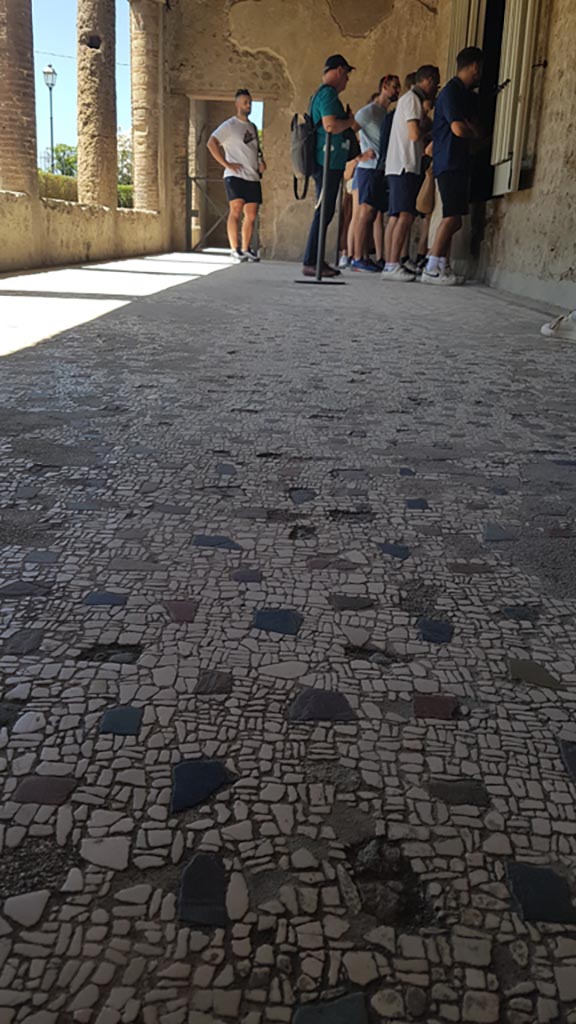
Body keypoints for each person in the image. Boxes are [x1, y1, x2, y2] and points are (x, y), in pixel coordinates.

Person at [422, 46, 483, 285]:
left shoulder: (461, 94)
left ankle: (441, 265)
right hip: (449, 161)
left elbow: (475, 129)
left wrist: (473, 130)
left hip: (455, 161)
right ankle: (432, 266)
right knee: (452, 218)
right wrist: (472, 131)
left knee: (453, 215)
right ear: (474, 66)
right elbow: (459, 129)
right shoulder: (451, 93)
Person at [381, 65, 439, 283]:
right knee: (404, 216)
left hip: (397, 165)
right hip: (405, 164)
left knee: (396, 216)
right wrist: (430, 130)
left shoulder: (406, 99)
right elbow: (414, 134)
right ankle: (393, 264)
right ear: (429, 81)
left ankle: (390, 262)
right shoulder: (413, 100)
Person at [302, 54, 358, 279]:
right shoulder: (327, 94)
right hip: (327, 162)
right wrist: (350, 122)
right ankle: (310, 261)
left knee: (325, 211)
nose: (347, 80)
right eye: (346, 75)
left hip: (331, 161)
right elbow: (330, 125)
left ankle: (315, 259)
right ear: (338, 70)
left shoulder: (324, 94)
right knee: (323, 211)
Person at [207, 89, 266, 263]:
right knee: (236, 210)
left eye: (250, 102)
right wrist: (226, 164)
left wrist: (261, 162)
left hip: (252, 175)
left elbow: (256, 148)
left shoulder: (252, 127)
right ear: (237, 104)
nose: (248, 105)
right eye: (245, 102)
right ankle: (234, 249)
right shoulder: (229, 125)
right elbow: (211, 143)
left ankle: (246, 249)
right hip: (235, 175)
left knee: (252, 214)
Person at [351, 74, 401, 273]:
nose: (397, 91)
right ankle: (356, 257)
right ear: (384, 86)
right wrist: (358, 155)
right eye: (395, 87)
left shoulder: (386, 114)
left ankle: (364, 256)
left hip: (381, 169)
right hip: (368, 169)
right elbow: (350, 131)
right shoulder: (368, 111)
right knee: (365, 214)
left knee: (372, 215)